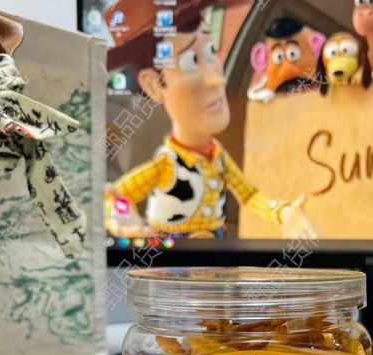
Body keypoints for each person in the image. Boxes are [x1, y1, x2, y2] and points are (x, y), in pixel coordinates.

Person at [104, 1, 316, 240]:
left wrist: (283, 212)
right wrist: (121, 217)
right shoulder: (166, 163)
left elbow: (249, 196)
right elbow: (115, 195)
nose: (218, 79)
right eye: (191, 62)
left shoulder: (217, 156)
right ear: (154, 85)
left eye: (211, 51)